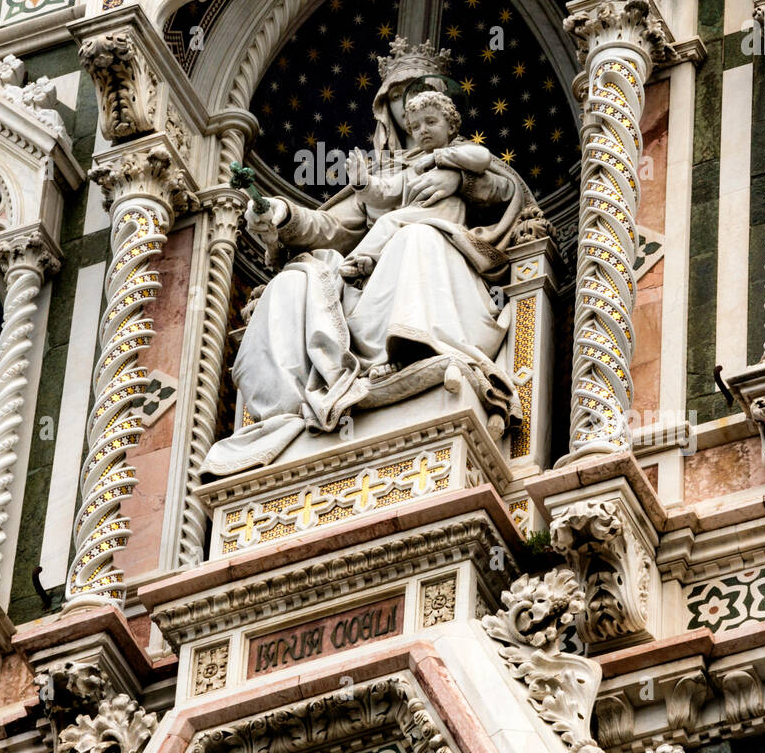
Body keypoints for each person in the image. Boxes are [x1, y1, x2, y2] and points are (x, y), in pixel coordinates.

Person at [202, 36, 532, 476]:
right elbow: (333, 227)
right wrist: (282, 215)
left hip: (446, 263)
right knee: (290, 283)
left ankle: (416, 351)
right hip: (371, 275)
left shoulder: (460, 159)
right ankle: (285, 413)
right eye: (398, 94)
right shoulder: (390, 172)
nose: (409, 107)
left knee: (413, 236)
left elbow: (509, 192)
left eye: (419, 93)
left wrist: (461, 180)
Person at [339, 88, 498, 284]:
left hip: (446, 213)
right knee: (394, 228)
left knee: (388, 222)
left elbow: (483, 158)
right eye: (415, 126)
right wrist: (362, 182)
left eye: (431, 122)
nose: (423, 130)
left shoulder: (458, 151)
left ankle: (355, 261)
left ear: (450, 126)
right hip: (417, 215)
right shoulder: (413, 169)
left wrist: (438, 157)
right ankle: (372, 262)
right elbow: (385, 193)